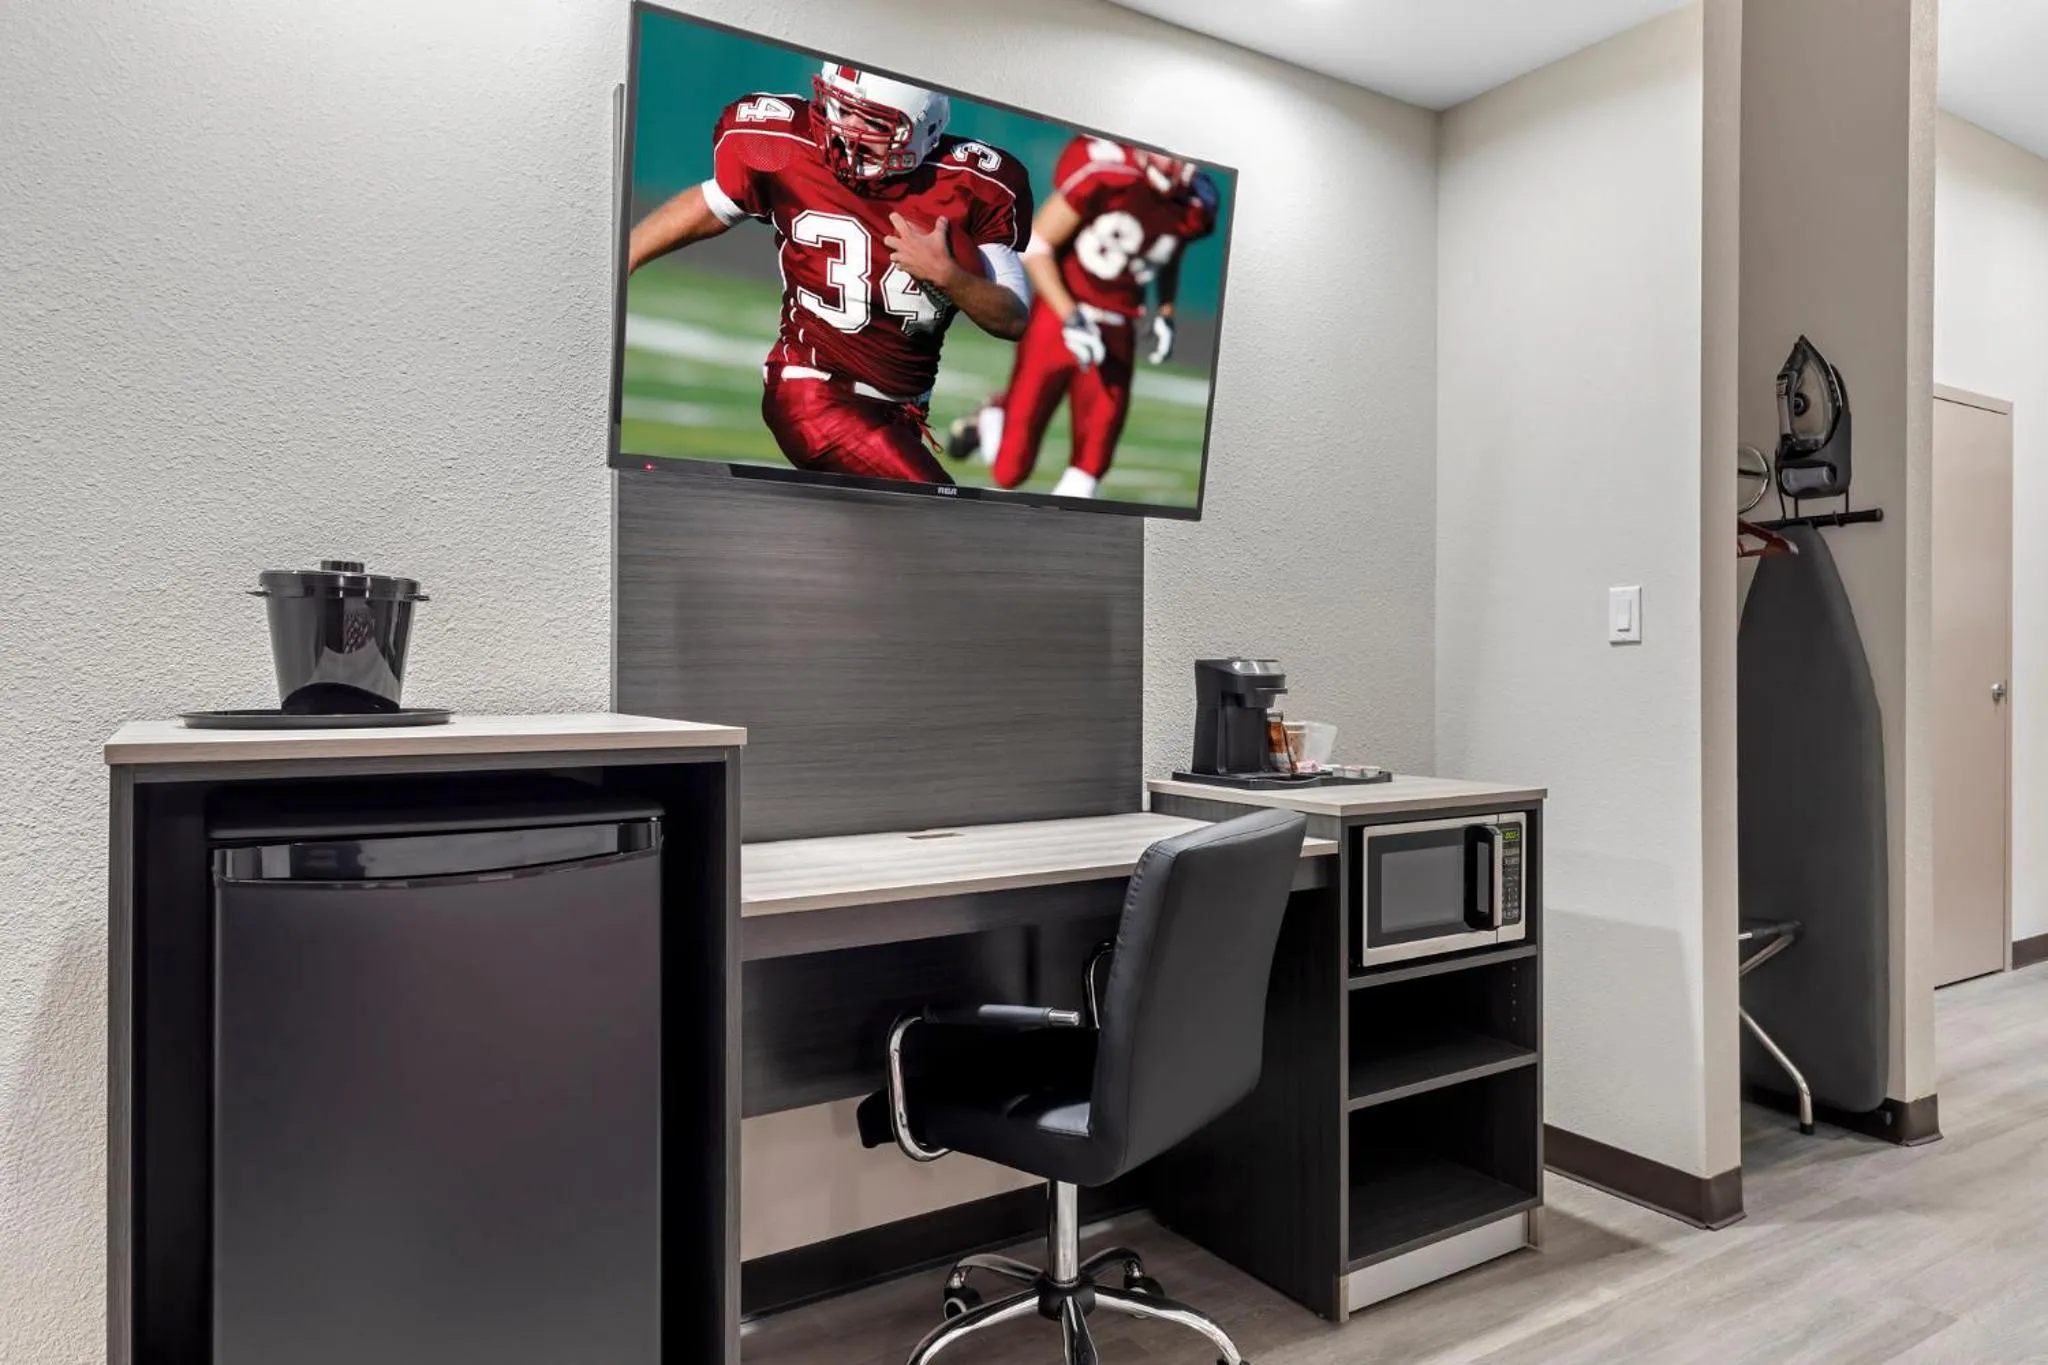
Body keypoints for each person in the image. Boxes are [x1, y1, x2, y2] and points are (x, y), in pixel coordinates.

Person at [628, 65, 1034, 484]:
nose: (848, 131)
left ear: (922, 129)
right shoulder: (786, 145)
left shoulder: (974, 185)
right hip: (813, 393)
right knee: (938, 510)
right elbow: (714, 204)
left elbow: (1014, 317)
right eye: (840, 109)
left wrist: (949, 276)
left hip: (900, 413)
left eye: (874, 121)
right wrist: (623, 258)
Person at [947, 136, 1219, 499]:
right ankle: (995, 414)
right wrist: (1071, 317)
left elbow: (1169, 248)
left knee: (1090, 470)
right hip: (1060, 317)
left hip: (1119, 326)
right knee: (1009, 472)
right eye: (1168, 153)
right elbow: (1038, 247)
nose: (1177, 166)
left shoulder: (1198, 201)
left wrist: (1165, 310)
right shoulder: (1105, 171)